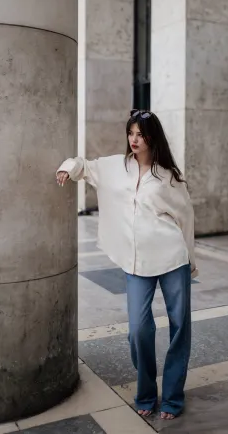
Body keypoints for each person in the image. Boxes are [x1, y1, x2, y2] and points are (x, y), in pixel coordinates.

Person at [56, 109, 198, 420]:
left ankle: (173, 397)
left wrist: (191, 258)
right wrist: (68, 168)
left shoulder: (169, 176)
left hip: (172, 256)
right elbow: (85, 166)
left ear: (152, 138)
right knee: (138, 330)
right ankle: (146, 392)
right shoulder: (114, 167)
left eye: (141, 134)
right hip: (135, 261)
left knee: (179, 328)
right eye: (131, 133)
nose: (134, 139)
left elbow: (185, 219)